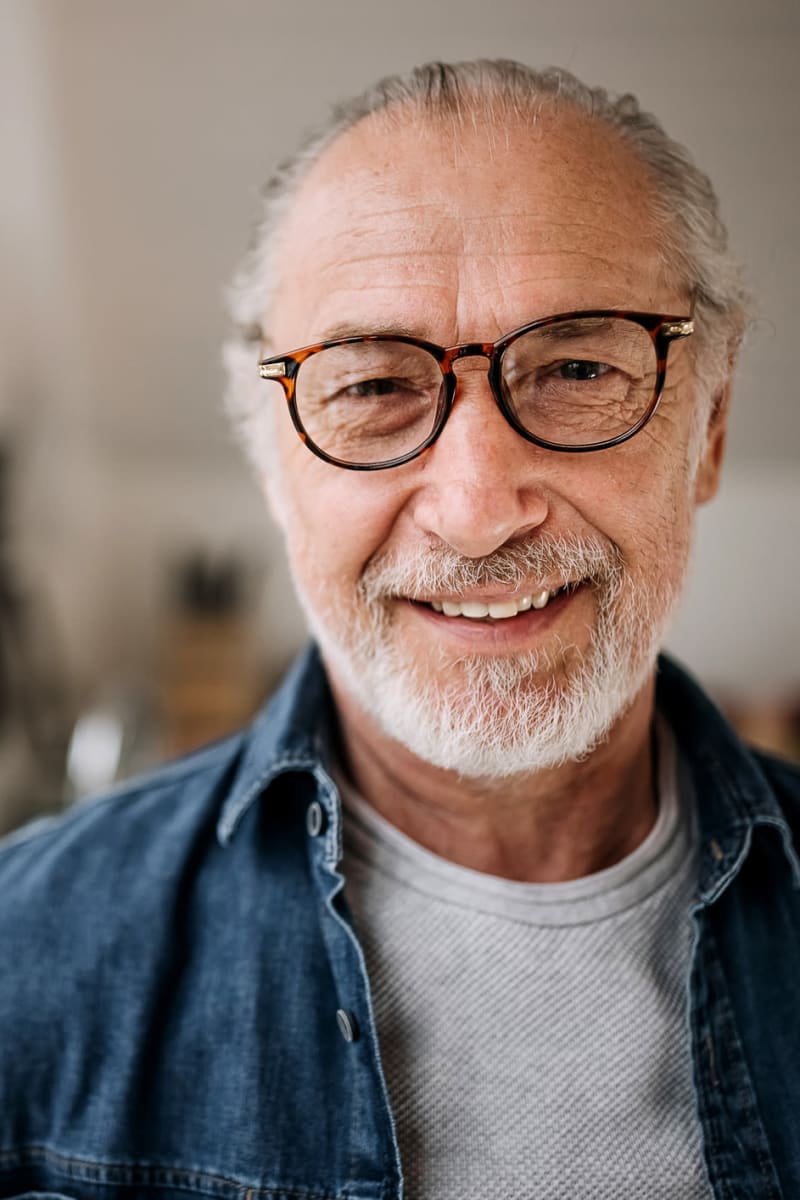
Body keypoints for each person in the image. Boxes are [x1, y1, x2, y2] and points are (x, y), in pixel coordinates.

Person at [0, 58, 798, 1200]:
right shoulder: (21, 962)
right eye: (372, 388)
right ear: (276, 465)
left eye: (576, 367)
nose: (477, 509)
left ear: (707, 433)